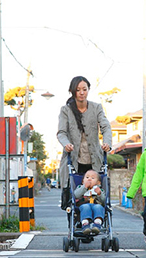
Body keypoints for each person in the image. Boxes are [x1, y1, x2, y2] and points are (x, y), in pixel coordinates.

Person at [57, 76, 112, 209]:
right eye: (78, 90)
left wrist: (107, 143)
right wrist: (66, 144)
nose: (82, 92)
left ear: (88, 90)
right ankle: (79, 220)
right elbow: (61, 132)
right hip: (74, 159)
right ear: (72, 91)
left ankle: (96, 219)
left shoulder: (96, 107)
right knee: (75, 193)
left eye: (84, 89)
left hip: (94, 160)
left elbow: (106, 126)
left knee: (97, 191)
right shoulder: (66, 110)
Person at [74, 169, 106, 235]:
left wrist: (99, 194)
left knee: (98, 207)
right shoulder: (80, 187)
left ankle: (97, 224)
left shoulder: (99, 189)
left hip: (96, 204)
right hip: (84, 204)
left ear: (98, 183)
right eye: (87, 177)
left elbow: (104, 200)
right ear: (83, 181)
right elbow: (76, 195)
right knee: (85, 207)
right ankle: (85, 224)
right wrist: (84, 187)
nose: (89, 179)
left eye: (93, 178)